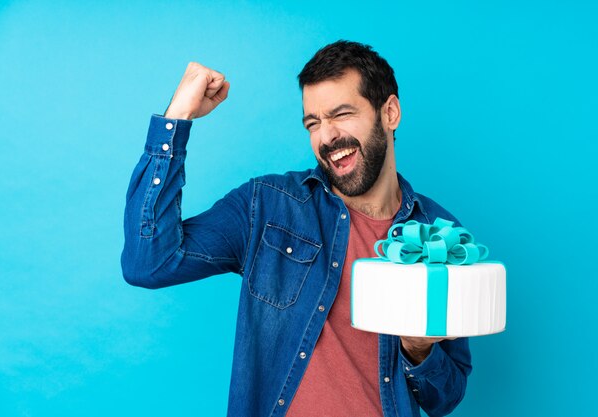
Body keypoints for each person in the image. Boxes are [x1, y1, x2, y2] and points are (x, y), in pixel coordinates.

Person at [122, 40, 472, 417]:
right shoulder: (268, 205)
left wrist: (418, 350)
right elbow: (148, 263)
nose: (327, 136)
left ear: (389, 113)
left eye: (341, 114)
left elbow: (445, 397)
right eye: (313, 123)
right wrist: (177, 118)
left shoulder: (440, 235)